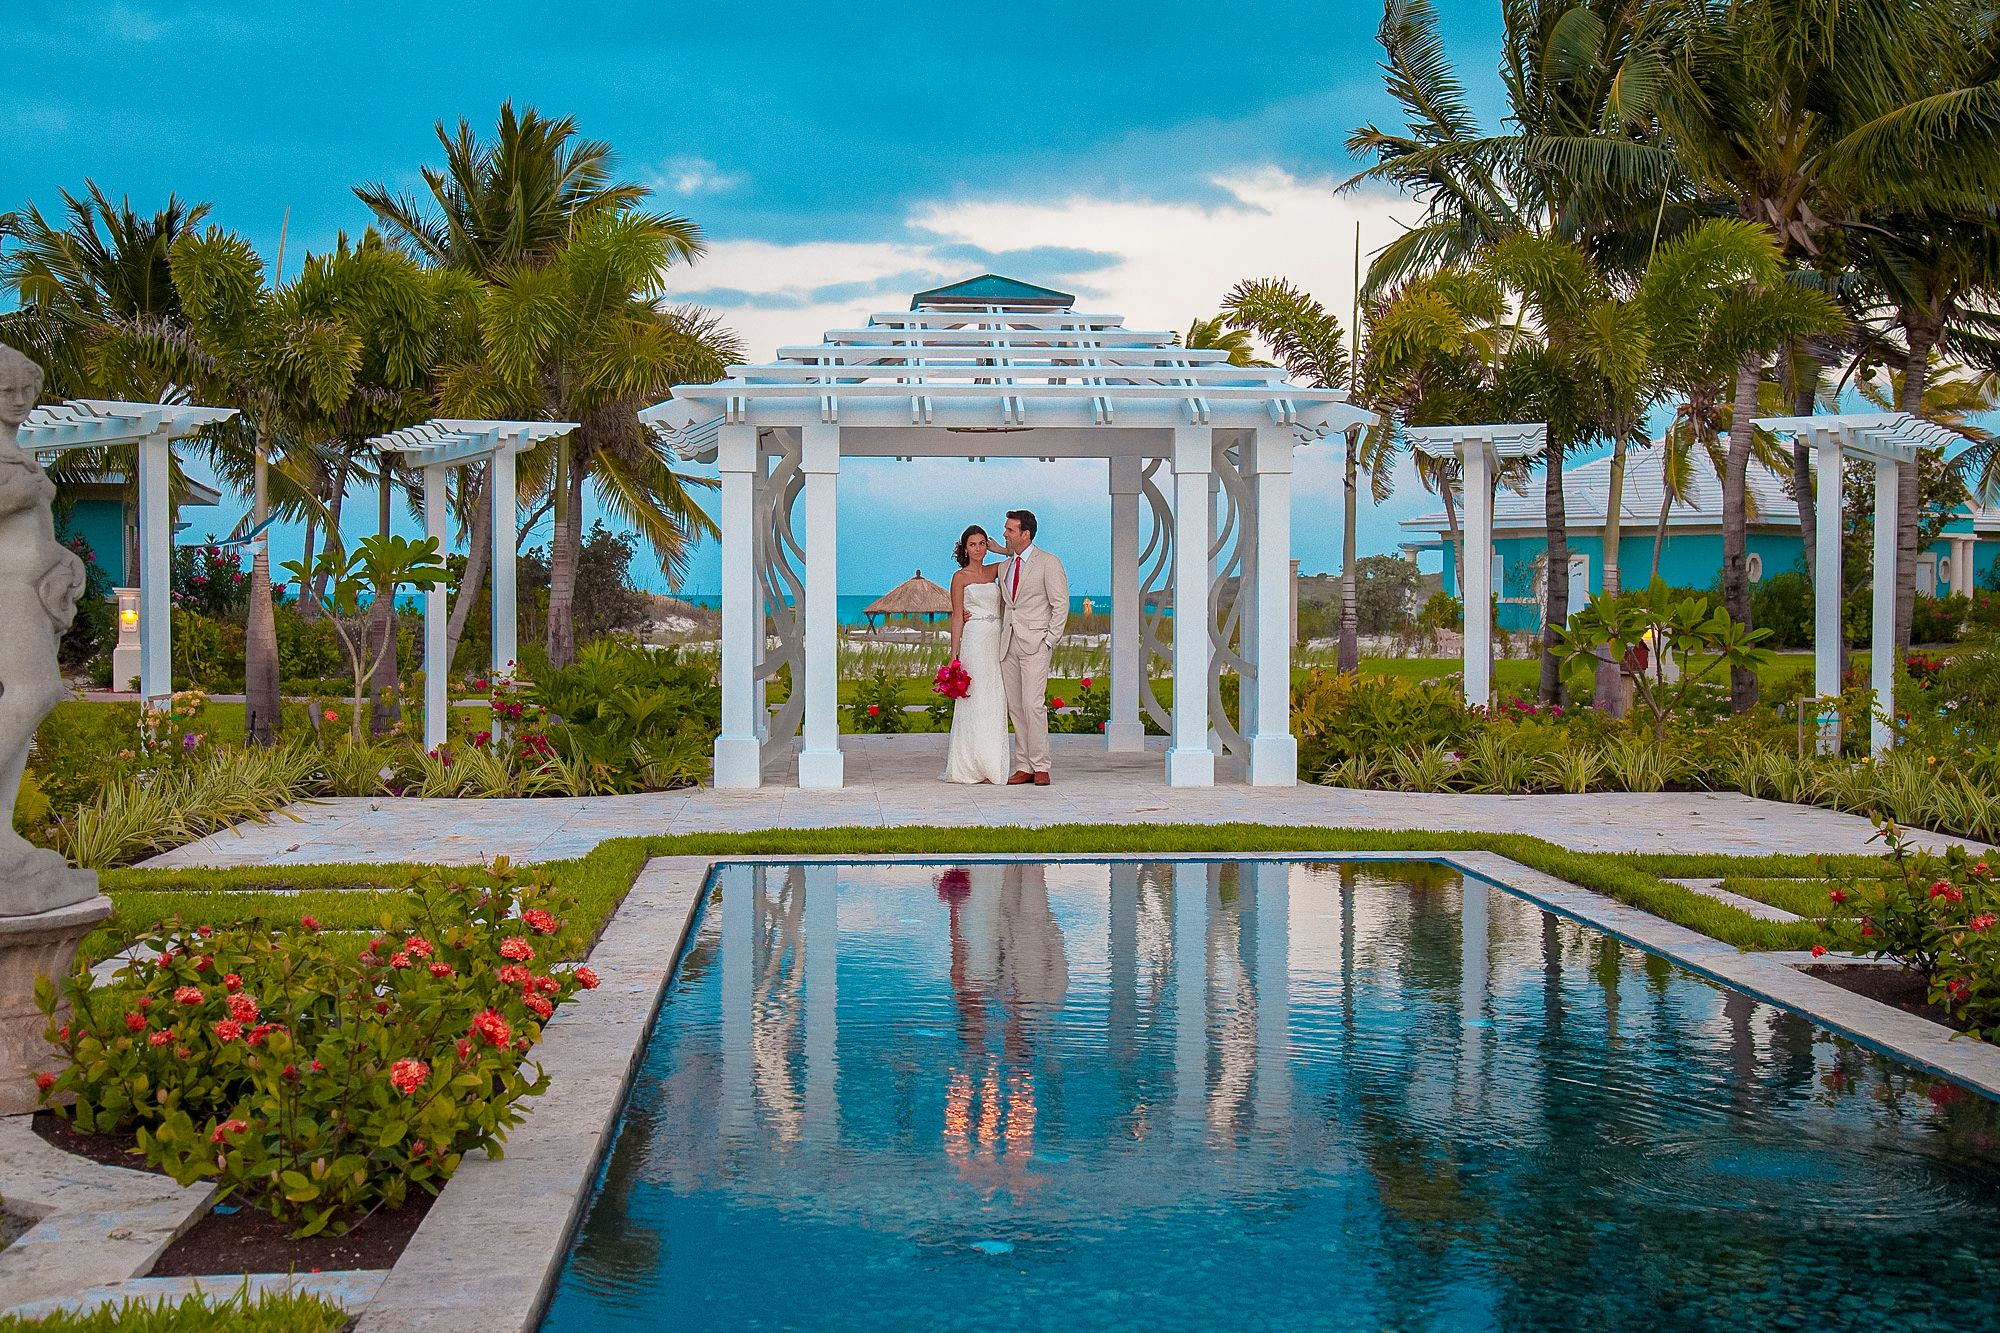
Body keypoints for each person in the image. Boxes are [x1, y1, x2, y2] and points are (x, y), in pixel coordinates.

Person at [996, 509, 1068, 786]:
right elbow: (1006, 605)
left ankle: (1041, 766)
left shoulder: (1048, 562)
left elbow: (1060, 604)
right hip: (1008, 644)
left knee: (1033, 705)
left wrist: (1050, 640)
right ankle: (1023, 765)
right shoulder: (1005, 567)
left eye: (1010, 530)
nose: (1005, 533)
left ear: (1025, 534)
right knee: (1015, 707)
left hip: (1036, 643)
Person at [940, 525, 1010, 783]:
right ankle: (969, 763)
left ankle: (991, 763)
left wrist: (999, 548)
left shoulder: (994, 570)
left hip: (996, 638)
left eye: (982, 543)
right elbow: (958, 616)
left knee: (994, 697)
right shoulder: (960, 577)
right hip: (974, 638)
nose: (979, 549)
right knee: (974, 698)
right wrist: (954, 653)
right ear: (965, 548)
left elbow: (1016, 558)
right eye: (973, 544)